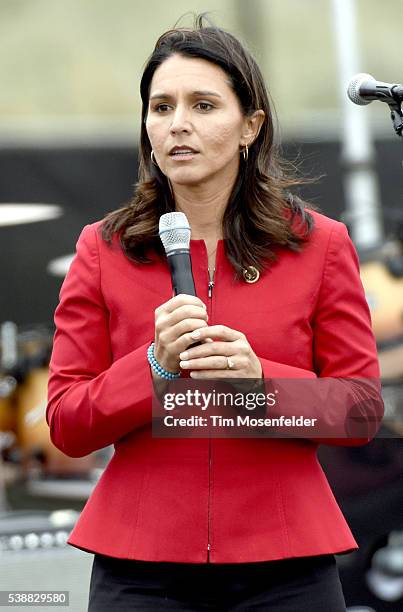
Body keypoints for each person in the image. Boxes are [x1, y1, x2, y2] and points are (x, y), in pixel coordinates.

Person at [46, 15, 383, 612]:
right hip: (139, 568)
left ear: (250, 125)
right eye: (160, 107)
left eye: (203, 105)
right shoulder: (101, 249)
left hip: (288, 565)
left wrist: (261, 384)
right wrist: (154, 366)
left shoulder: (320, 244)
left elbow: (358, 411)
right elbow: (68, 423)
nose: (178, 124)